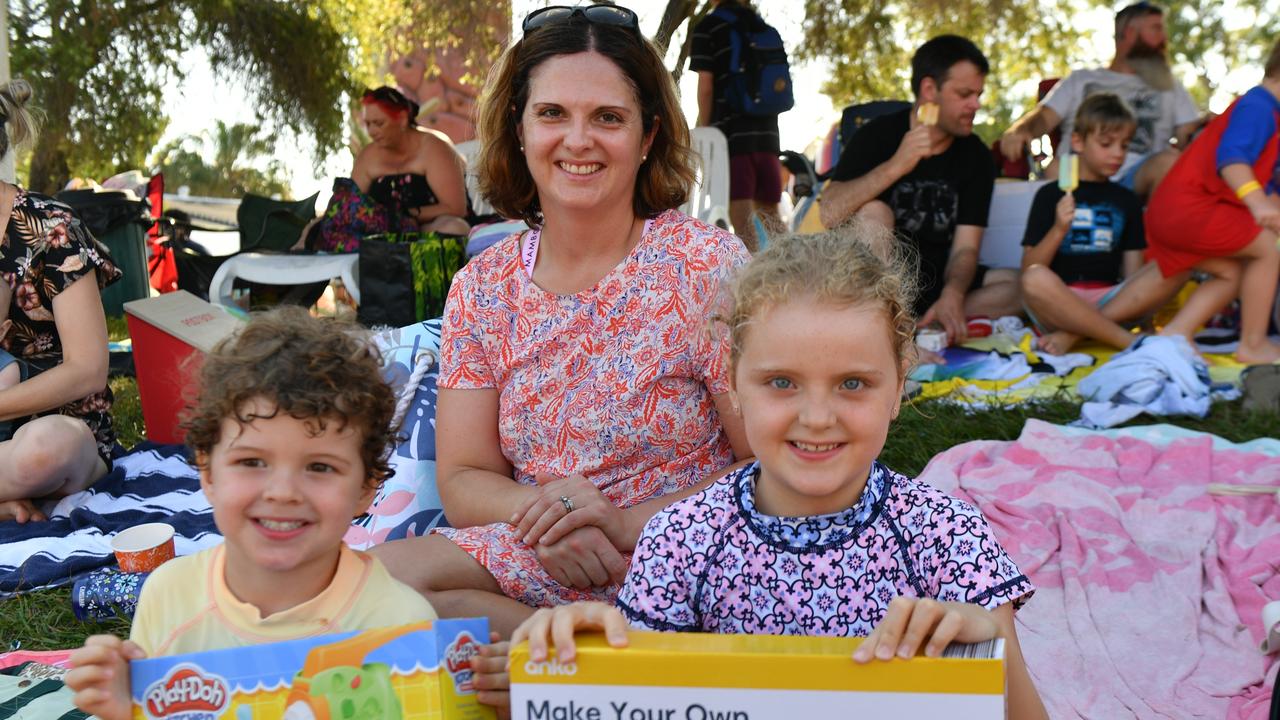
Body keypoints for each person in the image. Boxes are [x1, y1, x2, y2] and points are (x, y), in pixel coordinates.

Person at [469, 226, 1048, 720]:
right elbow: (638, 698)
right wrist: (579, 668)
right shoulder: (682, 539)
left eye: (853, 384)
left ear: (898, 386)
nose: (817, 417)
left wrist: (991, 650)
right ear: (735, 383)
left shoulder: (944, 535)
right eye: (781, 382)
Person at [370, 4, 751, 638]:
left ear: (648, 135)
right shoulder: (483, 288)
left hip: (690, 545)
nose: (579, 140)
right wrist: (554, 516)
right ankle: (574, 646)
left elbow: (766, 459)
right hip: (543, 548)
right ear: (518, 129)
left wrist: (626, 525)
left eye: (608, 117)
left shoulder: (704, 265)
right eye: (552, 114)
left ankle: (565, 653)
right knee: (365, 588)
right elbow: (464, 479)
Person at [64, 306, 438, 720]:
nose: (282, 493)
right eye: (252, 462)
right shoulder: (168, 597)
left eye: (320, 467)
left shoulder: (401, 624)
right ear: (206, 471)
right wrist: (128, 708)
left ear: (367, 487)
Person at [818, 35, 1019, 346]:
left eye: (978, 94)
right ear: (929, 90)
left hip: (938, 281)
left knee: (1020, 286)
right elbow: (829, 213)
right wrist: (897, 164)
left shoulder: (975, 155)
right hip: (879, 281)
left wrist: (953, 293)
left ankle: (928, 320)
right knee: (875, 212)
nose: (976, 105)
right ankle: (890, 328)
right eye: (965, 94)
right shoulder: (878, 135)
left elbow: (967, 247)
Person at [0, 80, 124, 524]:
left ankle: (18, 489)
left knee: (42, 451)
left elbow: (88, 370)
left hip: (60, 429)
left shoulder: (53, 228)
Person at [1144, 39, 1280, 364]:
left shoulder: (1265, 109)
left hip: (1174, 211)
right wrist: (1259, 205)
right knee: (1267, 247)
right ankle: (1253, 343)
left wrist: (1268, 202)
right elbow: (1232, 160)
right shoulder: (1260, 107)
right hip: (1191, 209)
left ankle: (1177, 334)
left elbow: (1261, 177)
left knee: (1230, 272)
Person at [1020, 93, 1187, 355]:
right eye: (1107, 143)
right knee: (1034, 278)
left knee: (1178, 265)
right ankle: (1127, 342)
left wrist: (1143, 319)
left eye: (1125, 145)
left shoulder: (1126, 200)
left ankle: (1074, 334)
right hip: (1059, 302)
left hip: (1109, 298)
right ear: (1077, 141)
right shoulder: (1050, 195)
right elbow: (1029, 266)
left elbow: (1132, 276)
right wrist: (1058, 230)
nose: (1118, 154)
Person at [999, 2, 1201, 199]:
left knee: (1170, 162)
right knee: (1054, 167)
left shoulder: (1170, 87)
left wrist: (1214, 127)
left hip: (1135, 183)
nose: (1164, 38)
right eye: (1156, 29)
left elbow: (1191, 137)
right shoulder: (1081, 79)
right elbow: (1043, 118)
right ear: (1130, 33)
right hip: (1075, 178)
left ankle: (1153, 231)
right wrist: (1021, 130)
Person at [309, 86, 469, 251]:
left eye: (379, 123)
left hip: (425, 232)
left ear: (402, 119)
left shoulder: (434, 147)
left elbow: (455, 208)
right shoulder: (368, 156)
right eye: (368, 124)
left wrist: (404, 217)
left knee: (454, 228)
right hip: (379, 235)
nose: (371, 131)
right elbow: (350, 205)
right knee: (315, 229)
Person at [689, 0, 785, 251]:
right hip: (768, 137)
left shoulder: (708, 26)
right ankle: (793, 271)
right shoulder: (761, 26)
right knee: (771, 214)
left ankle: (750, 275)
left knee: (739, 212)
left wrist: (706, 130)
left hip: (730, 137)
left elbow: (706, 87)